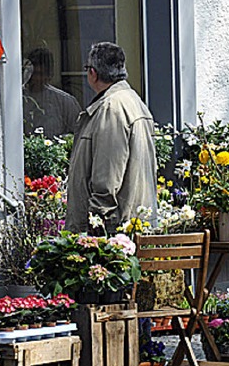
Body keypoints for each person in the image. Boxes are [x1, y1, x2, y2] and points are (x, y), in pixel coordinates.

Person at [65, 42, 157, 234]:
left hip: (114, 233)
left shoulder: (112, 108)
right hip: (132, 226)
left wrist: (96, 225)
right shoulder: (133, 101)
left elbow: (106, 176)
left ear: (93, 73)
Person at [23, 47, 81, 137]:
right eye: (32, 73)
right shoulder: (19, 99)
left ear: (49, 75)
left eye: (39, 74)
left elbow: (78, 133)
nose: (34, 78)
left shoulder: (65, 101)